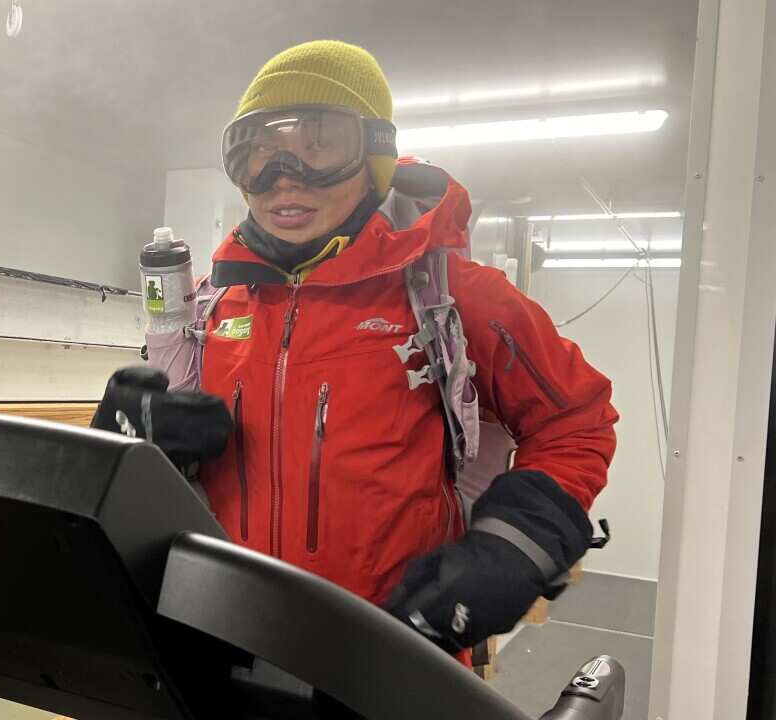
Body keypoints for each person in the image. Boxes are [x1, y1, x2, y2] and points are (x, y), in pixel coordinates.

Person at [92, 40, 618, 657]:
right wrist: (127, 436)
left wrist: (511, 545)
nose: (283, 179)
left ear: (374, 156)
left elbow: (577, 421)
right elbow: (175, 467)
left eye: (319, 146)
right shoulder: (215, 305)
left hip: (392, 650)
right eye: (257, 153)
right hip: (230, 640)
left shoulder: (450, 295)